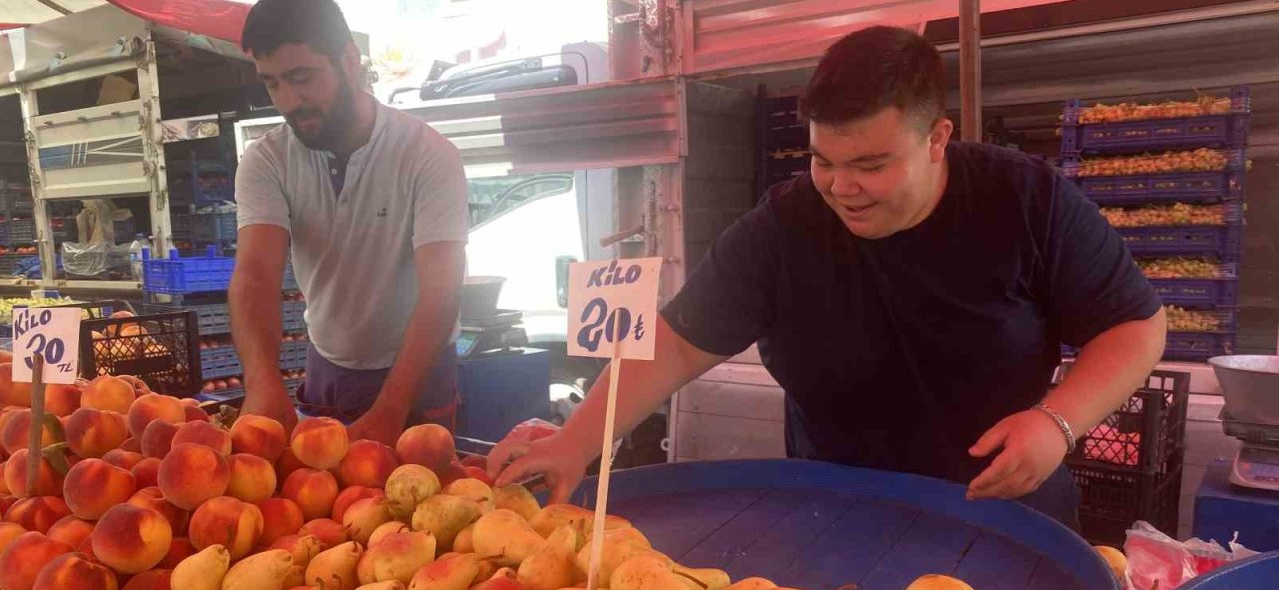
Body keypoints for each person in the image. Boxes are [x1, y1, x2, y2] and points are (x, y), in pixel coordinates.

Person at [490, 26, 1167, 529]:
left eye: (871, 164)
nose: (843, 188)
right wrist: (577, 441)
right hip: (837, 514)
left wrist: (1057, 421)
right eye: (823, 160)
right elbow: (675, 343)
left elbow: (1135, 326)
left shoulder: (1027, 202)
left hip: (1003, 512)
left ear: (937, 139)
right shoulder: (784, 227)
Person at [230, 0, 467, 445]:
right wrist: (261, 380)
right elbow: (256, 275)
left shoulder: (428, 155)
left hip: (419, 369)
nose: (288, 101)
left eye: (301, 78)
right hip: (329, 366)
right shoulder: (265, 161)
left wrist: (392, 409)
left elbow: (441, 292)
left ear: (350, 61)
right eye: (272, 84)